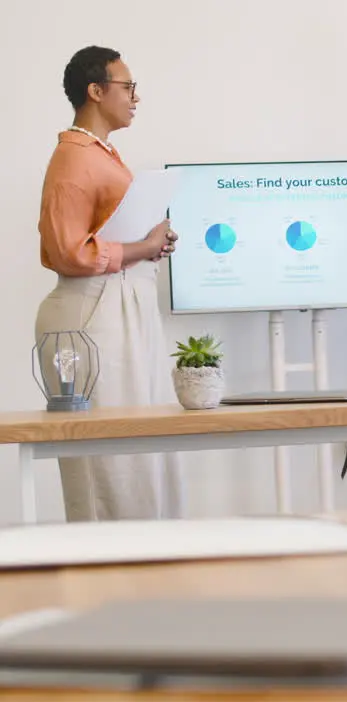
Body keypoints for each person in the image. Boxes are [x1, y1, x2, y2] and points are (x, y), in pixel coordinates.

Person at [35, 46, 181, 522]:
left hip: (118, 307)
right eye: (128, 87)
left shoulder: (101, 153)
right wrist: (141, 247)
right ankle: (112, 579)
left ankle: (147, 578)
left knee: (137, 457)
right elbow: (68, 252)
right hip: (93, 316)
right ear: (95, 92)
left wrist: (152, 241)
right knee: (107, 465)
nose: (136, 98)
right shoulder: (73, 158)